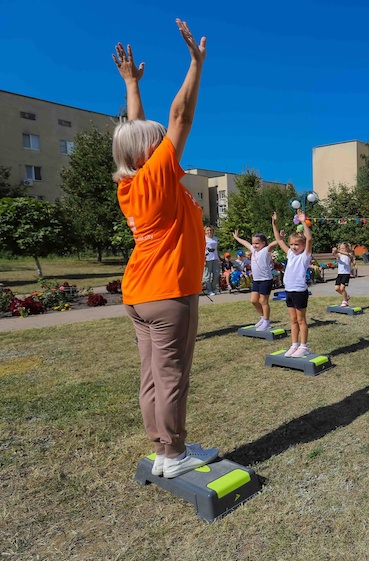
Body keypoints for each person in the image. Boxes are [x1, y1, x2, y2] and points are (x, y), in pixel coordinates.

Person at [112, 19, 218, 479]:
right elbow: (180, 116)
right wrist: (195, 65)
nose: (163, 145)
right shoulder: (157, 173)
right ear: (147, 154)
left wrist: (132, 85)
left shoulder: (133, 183)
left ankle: (163, 447)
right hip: (169, 294)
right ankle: (173, 455)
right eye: (155, 144)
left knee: (152, 376)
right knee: (171, 375)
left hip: (138, 295)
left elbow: (137, 128)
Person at [272, 210, 313, 357]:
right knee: (293, 319)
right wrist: (274, 224)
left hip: (300, 290)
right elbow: (279, 240)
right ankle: (294, 345)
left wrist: (303, 221)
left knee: (301, 319)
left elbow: (309, 239)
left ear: (302, 245)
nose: (293, 247)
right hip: (289, 290)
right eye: (292, 244)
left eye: (297, 244)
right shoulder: (290, 254)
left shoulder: (305, 256)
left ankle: (304, 346)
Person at [233, 227, 279, 331]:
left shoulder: (265, 251)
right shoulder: (253, 250)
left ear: (263, 243)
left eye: (257, 243)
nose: (254, 245)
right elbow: (245, 243)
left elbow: (273, 244)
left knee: (263, 301)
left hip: (266, 279)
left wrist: (279, 238)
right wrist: (236, 237)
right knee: (254, 300)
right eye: (253, 243)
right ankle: (263, 317)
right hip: (257, 280)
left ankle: (267, 322)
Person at [332, 242, 356, 307]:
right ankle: (346, 296)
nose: (342, 249)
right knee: (337, 288)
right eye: (341, 248)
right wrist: (334, 251)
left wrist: (338, 251)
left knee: (342, 288)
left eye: (343, 248)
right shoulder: (339, 255)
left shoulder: (349, 254)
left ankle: (345, 301)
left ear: (346, 248)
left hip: (346, 274)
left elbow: (347, 254)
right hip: (340, 274)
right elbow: (335, 254)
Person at [203, 226, 220, 295]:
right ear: (205, 231)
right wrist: (203, 259)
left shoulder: (215, 239)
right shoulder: (204, 239)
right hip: (207, 258)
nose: (209, 232)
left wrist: (219, 257)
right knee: (207, 275)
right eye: (208, 230)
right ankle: (209, 290)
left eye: (210, 230)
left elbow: (216, 249)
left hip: (215, 258)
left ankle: (214, 288)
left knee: (216, 274)